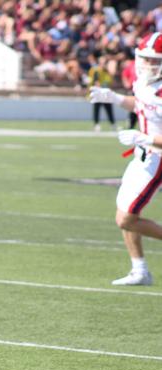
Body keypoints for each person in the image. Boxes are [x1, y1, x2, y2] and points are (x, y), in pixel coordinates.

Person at [90, 32, 162, 286]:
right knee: (124, 212)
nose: (148, 65)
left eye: (155, 60)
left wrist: (145, 139)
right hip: (143, 156)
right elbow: (142, 105)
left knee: (127, 218)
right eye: (145, 58)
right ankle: (139, 269)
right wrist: (116, 98)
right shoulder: (144, 82)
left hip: (158, 157)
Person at [88, 56, 116, 132]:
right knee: (97, 109)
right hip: (99, 92)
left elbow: (110, 81)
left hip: (106, 93)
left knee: (109, 109)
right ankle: (96, 124)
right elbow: (96, 82)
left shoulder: (106, 72)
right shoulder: (97, 70)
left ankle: (113, 124)